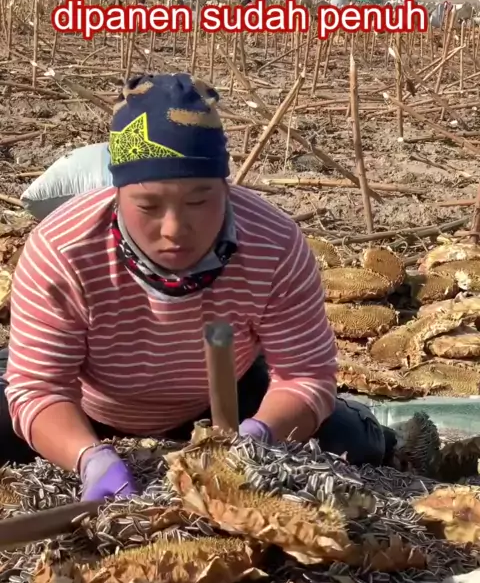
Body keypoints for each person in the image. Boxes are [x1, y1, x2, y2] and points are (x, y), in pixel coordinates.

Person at [0, 72, 395, 502]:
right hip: (89, 407)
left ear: (225, 186)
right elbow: (40, 389)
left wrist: (261, 437)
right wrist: (88, 456)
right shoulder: (63, 249)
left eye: (198, 201)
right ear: (118, 193)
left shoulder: (274, 244)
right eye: (148, 205)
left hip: (223, 404)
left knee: (351, 443)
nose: (174, 229)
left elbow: (305, 375)